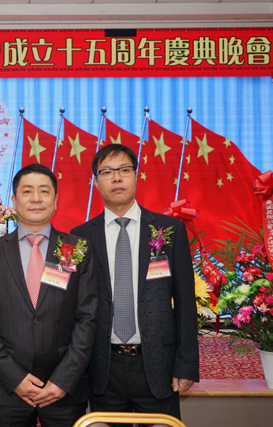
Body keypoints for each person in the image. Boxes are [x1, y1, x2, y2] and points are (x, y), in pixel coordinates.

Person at [70, 144, 199, 422]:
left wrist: (186, 364)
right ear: (95, 181)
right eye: (107, 172)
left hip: (158, 363)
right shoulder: (80, 236)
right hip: (103, 365)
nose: (116, 178)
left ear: (136, 175)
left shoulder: (168, 230)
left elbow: (186, 302)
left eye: (124, 170)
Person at [0, 163, 98, 427]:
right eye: (27, 191)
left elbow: (87, 318)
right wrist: (13, 378)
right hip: (10, 388)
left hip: (64, 389)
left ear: (56, 200)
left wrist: (64, 379)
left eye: (44, 191)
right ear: (14, 200)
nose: (36, 198)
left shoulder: (77, 248)